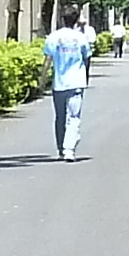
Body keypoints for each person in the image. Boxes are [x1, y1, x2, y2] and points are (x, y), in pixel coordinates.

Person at [43, 12, 96, 160]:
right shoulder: (81, 38)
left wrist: (42, 78)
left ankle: (61, 148)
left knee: (60, 116)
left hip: (59, 82)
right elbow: (87, 58)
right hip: (77, 82)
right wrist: (85, 75)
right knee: (73, 117)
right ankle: (69, 149)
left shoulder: (53, 36)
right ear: (76, 21)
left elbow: (48, 58)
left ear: (62, 19)